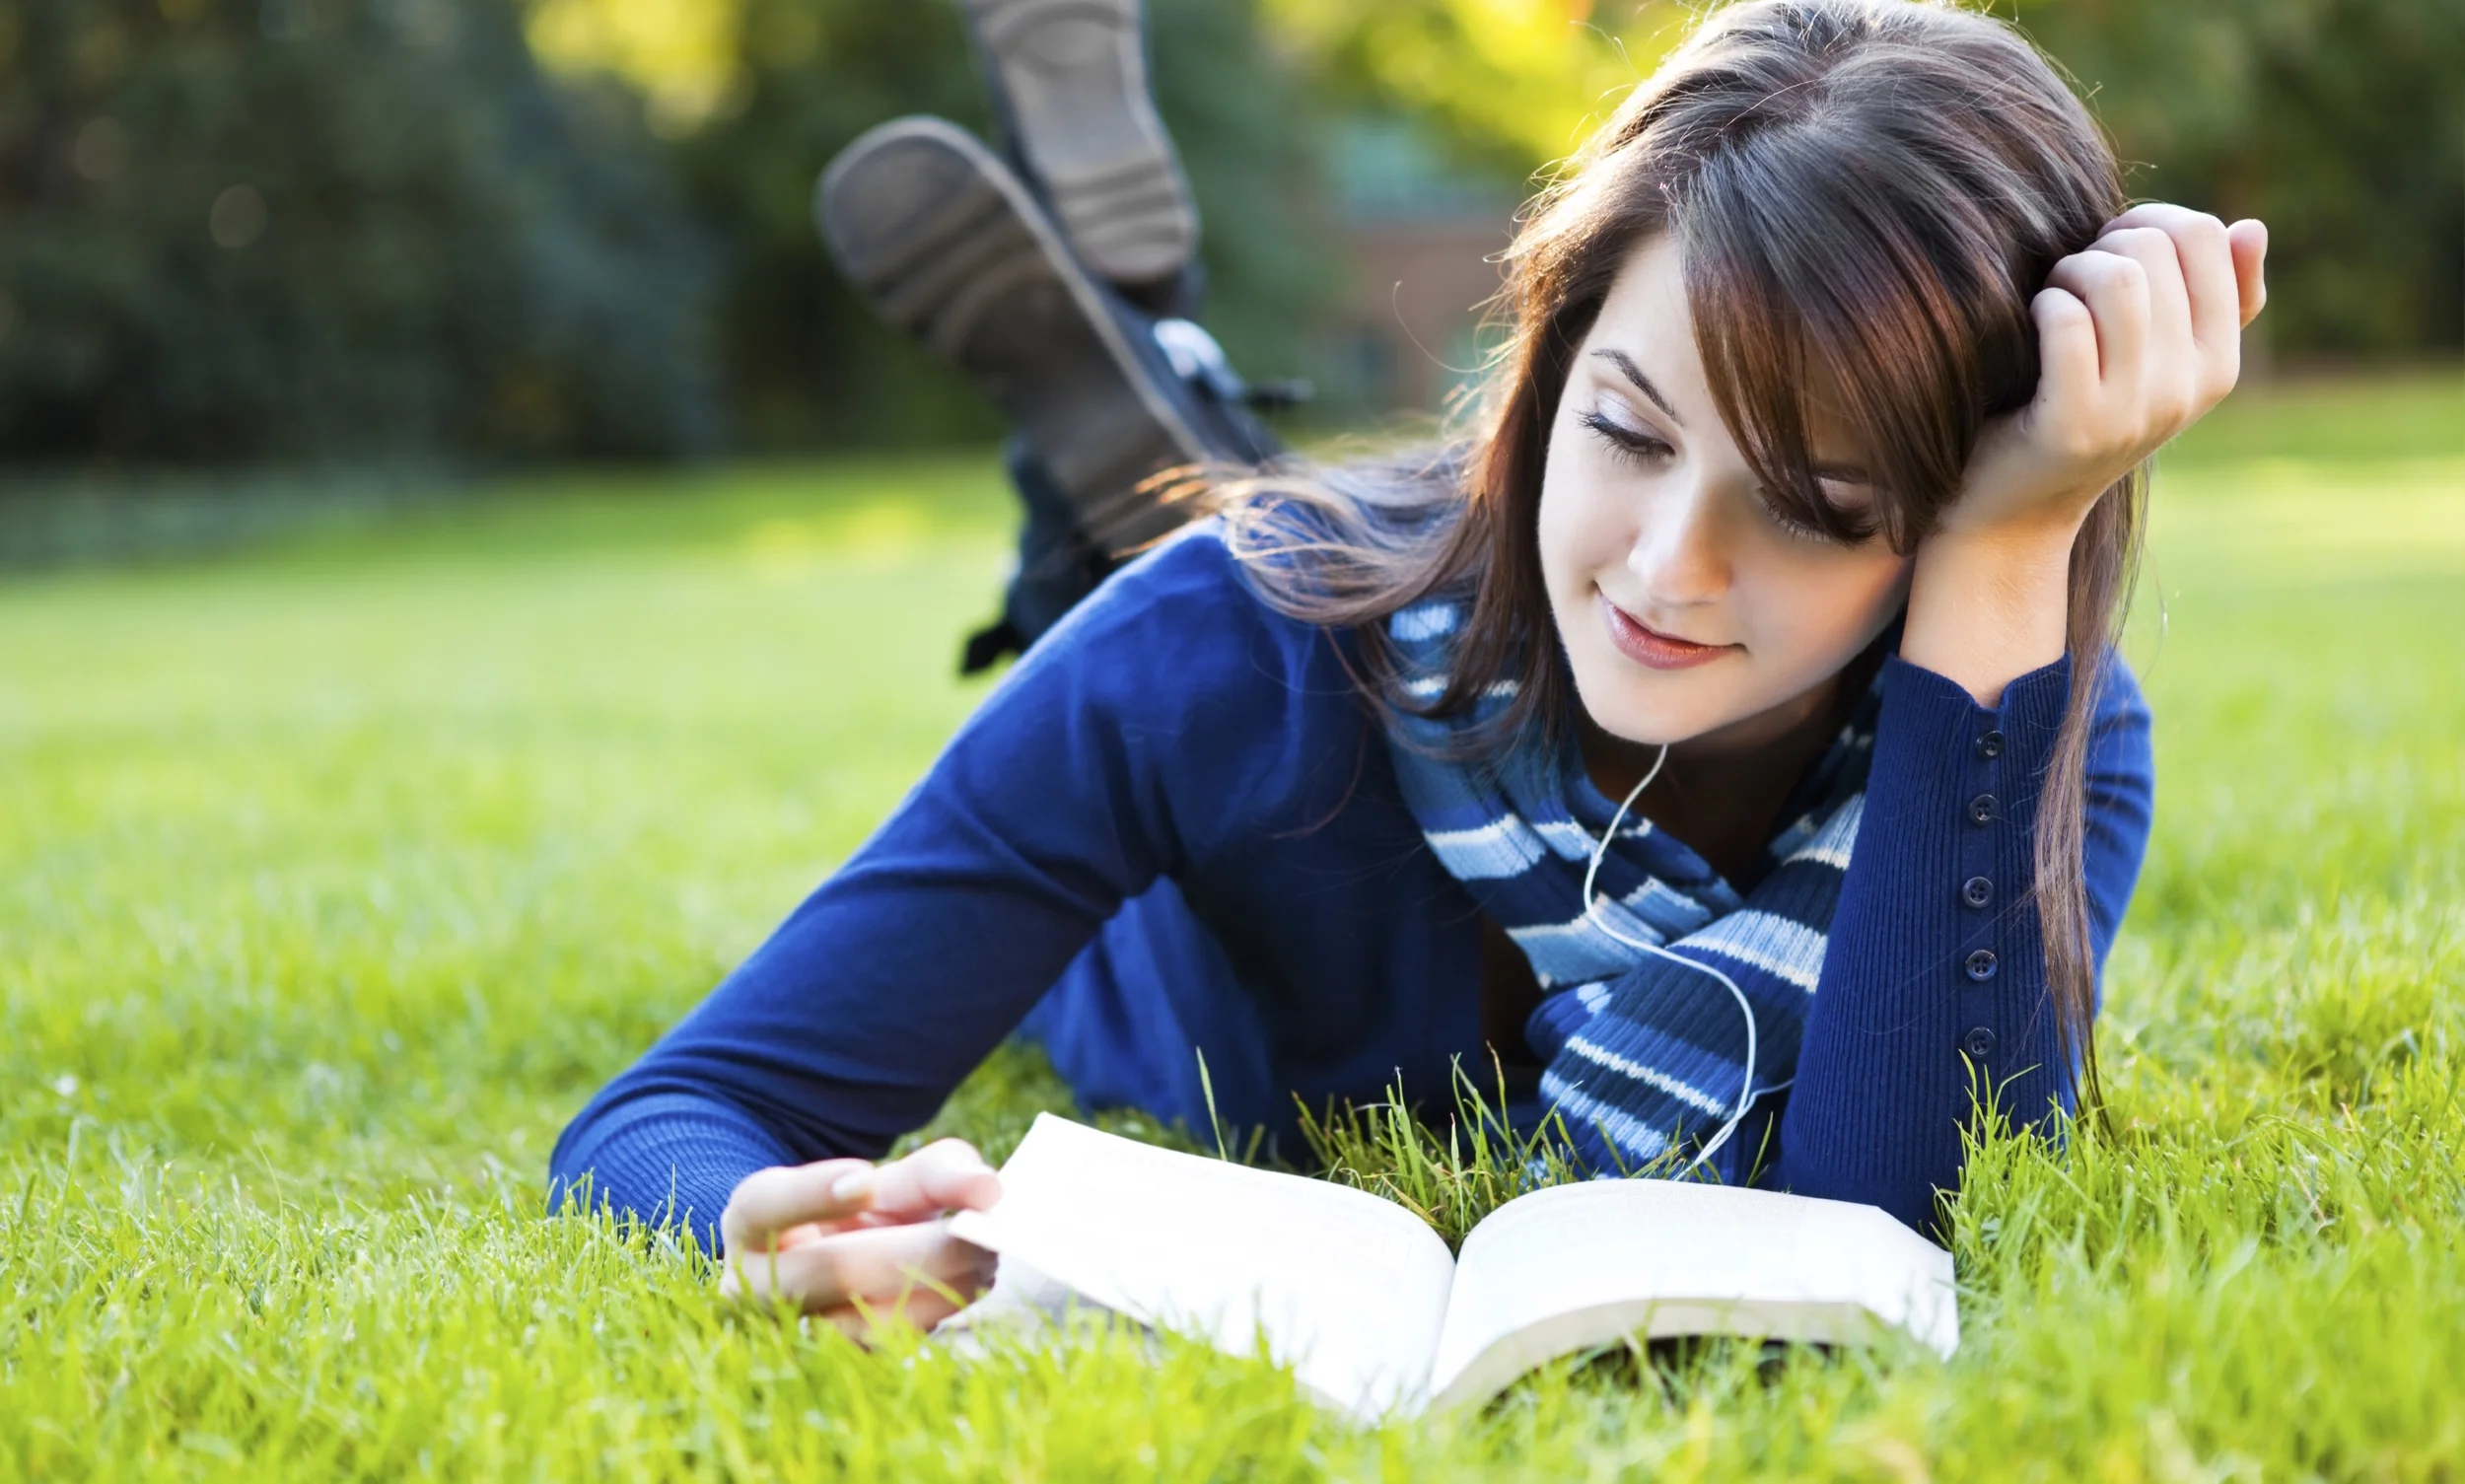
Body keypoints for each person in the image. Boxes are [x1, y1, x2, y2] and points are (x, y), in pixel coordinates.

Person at [550, 0, 2269, 1341]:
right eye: (1624, 428)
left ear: (1954, 514)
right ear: (1545, 359)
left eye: (1819, 510)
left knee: (1223, 547)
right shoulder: (1224, 652)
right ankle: (1159, 387)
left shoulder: (2023, 720)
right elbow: (679, 1111)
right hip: (1266, 682)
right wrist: (758, 1225)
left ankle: (1168, 368)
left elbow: (1902, 1214)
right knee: (1176, 580)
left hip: (1352, 584)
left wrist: (2005, 557)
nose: (1668, 567)